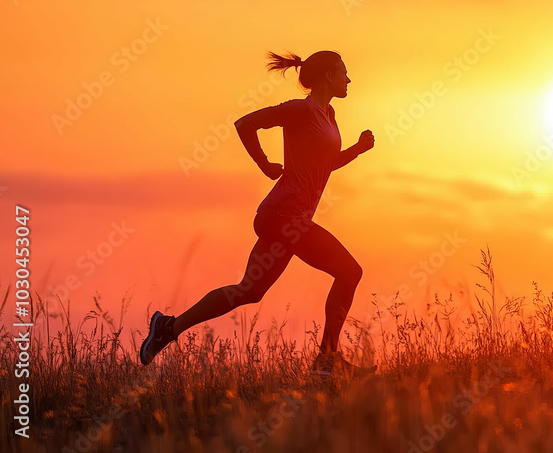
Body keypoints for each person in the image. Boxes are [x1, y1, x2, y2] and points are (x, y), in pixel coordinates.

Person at [139, 49, 376, 376]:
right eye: (343, 73)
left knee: (249, 291)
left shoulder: (329, 115)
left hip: (292, 220)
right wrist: (264, 164)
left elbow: (325, 164)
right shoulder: (300, 110)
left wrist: (356, 150)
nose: (348, 79)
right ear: (327, 77)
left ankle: (168, 327)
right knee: (350, 272)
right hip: (284, 215)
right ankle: (327, 359)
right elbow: (245, 124)